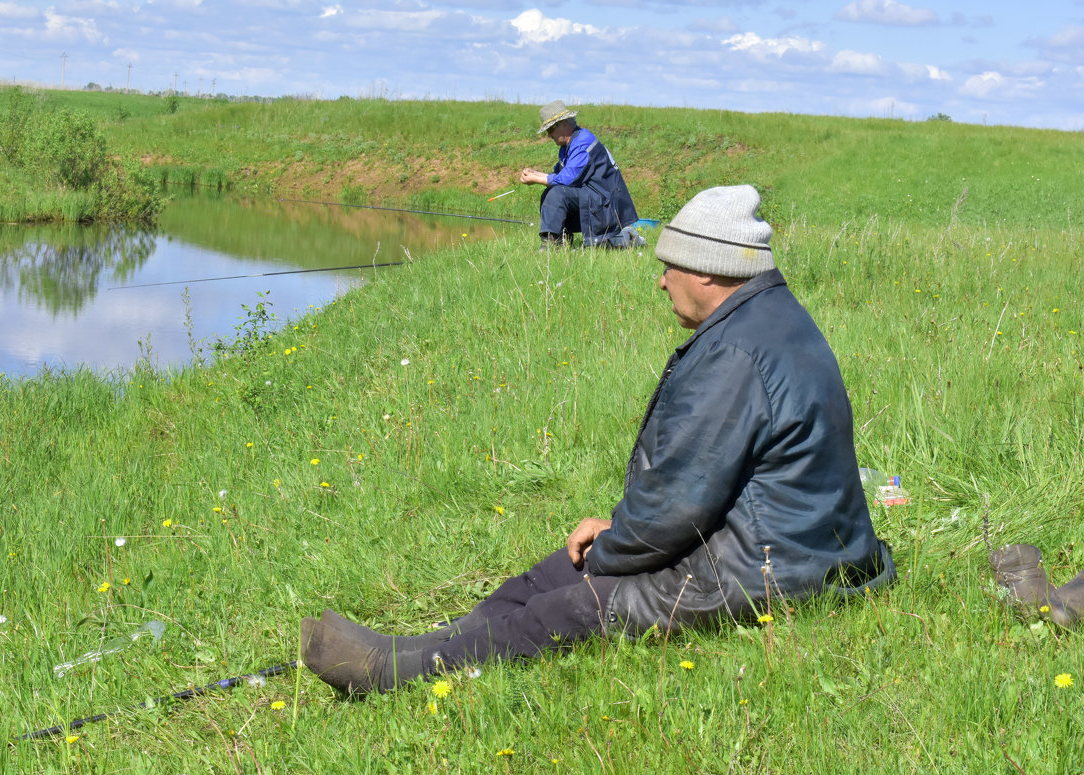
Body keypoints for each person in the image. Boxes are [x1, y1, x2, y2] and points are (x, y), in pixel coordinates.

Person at [301, 185, 895, 694]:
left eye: (670, 266)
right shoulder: (770, 318)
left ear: (711, 269)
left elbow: (677, 506)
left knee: (571, 604)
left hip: (770, 567)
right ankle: (427, 644)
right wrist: (613, 536)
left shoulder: (736, 353)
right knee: (550, 572)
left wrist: (610, 554)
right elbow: (701, 490)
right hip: (795, 544)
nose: (661, 283)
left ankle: (389, 673)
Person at [518, 100, 640, 249]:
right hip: (597, 200)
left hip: (607, 206)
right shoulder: (568, 145)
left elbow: (567, 180)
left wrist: (537, 178)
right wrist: (537, 174)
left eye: (550, 130)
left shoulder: (583, 142)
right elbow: (561, 175)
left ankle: (550, 247)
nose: (549, 135)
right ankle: (561, 240)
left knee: (556, 193)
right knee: (551, 192)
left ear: (563, 124)